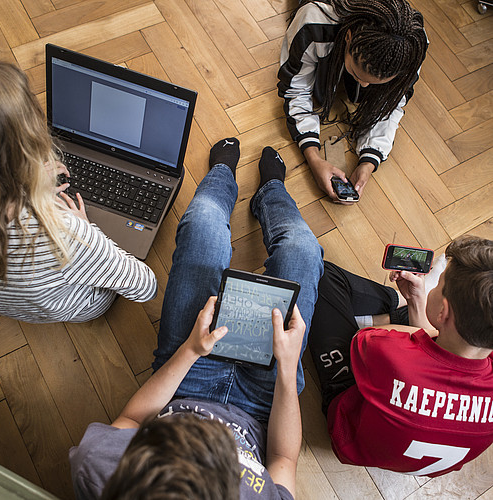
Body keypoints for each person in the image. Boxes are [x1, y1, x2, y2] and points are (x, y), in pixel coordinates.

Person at [69, 138, 324, 499]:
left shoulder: (100, 470)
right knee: (303, 250)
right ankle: (272, 190)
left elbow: (131, 421)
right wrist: (285, 369)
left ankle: (222, 173)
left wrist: (190, 350)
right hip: (265, 404)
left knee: (203, 222)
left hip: (185, 380)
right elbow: (282, 458)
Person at [308, 236, 493, 476]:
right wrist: (418, 300)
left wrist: (417, 307)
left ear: (443, 312)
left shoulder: (390, 349)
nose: (433, 288)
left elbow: (363, 339)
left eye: (438, 285)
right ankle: (405, 308)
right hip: (405, 453)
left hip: (347, 431)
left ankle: (393, 307)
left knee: (322, 277)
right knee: (431, 322)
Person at [0, 62, 157, 323]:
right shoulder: (65, 235)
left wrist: (34, 183)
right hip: (80, 306)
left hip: (26, 306)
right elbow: (146, 286)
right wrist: (87, 230)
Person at [278, 0, 428, 201]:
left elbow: (393, 103)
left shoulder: (410, 46)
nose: (365, 86)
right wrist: (312, 157)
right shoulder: (314, 20)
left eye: (377, 82)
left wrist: (369, 161)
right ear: (347, 37)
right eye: (358, 75)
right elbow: (296, 89)